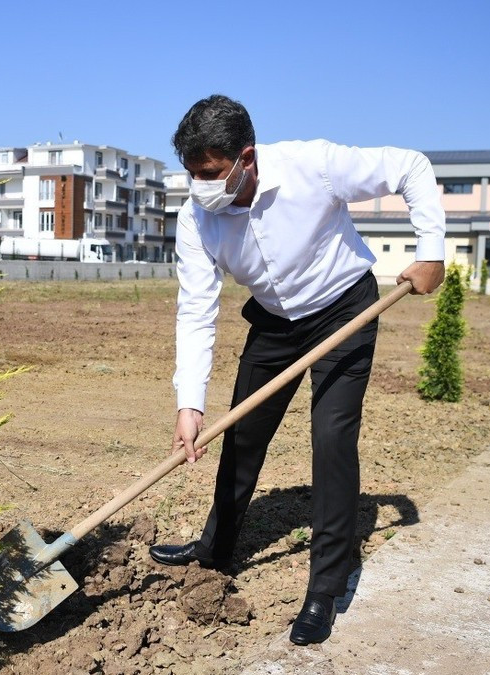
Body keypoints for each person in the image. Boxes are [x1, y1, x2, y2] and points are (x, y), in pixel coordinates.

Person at [149, 95, 446, 645]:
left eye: (211, 173)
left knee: (331, 438)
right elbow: (196, 308)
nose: (200, 185)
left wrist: (431, 249)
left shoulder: (315, 164)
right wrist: (189, 405)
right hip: (275, 321)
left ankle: (325, 588)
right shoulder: (196, 218)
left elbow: (411, 167)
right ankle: (214, 550)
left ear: (248, 157)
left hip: (344, 309)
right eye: (192, 174)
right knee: (241, 434)